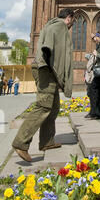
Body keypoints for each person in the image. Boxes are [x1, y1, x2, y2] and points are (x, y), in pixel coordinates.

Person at [12, 8, 75, 163]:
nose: (71, 25)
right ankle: (21, 143)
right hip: (45, 69)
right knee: (43, 106)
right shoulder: (59, 25)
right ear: (69, 18)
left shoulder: (51, 24)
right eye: (72, 22)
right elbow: (48, 45)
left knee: (53, 108)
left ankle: (47, 142)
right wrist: (48, 62)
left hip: (46, 68)